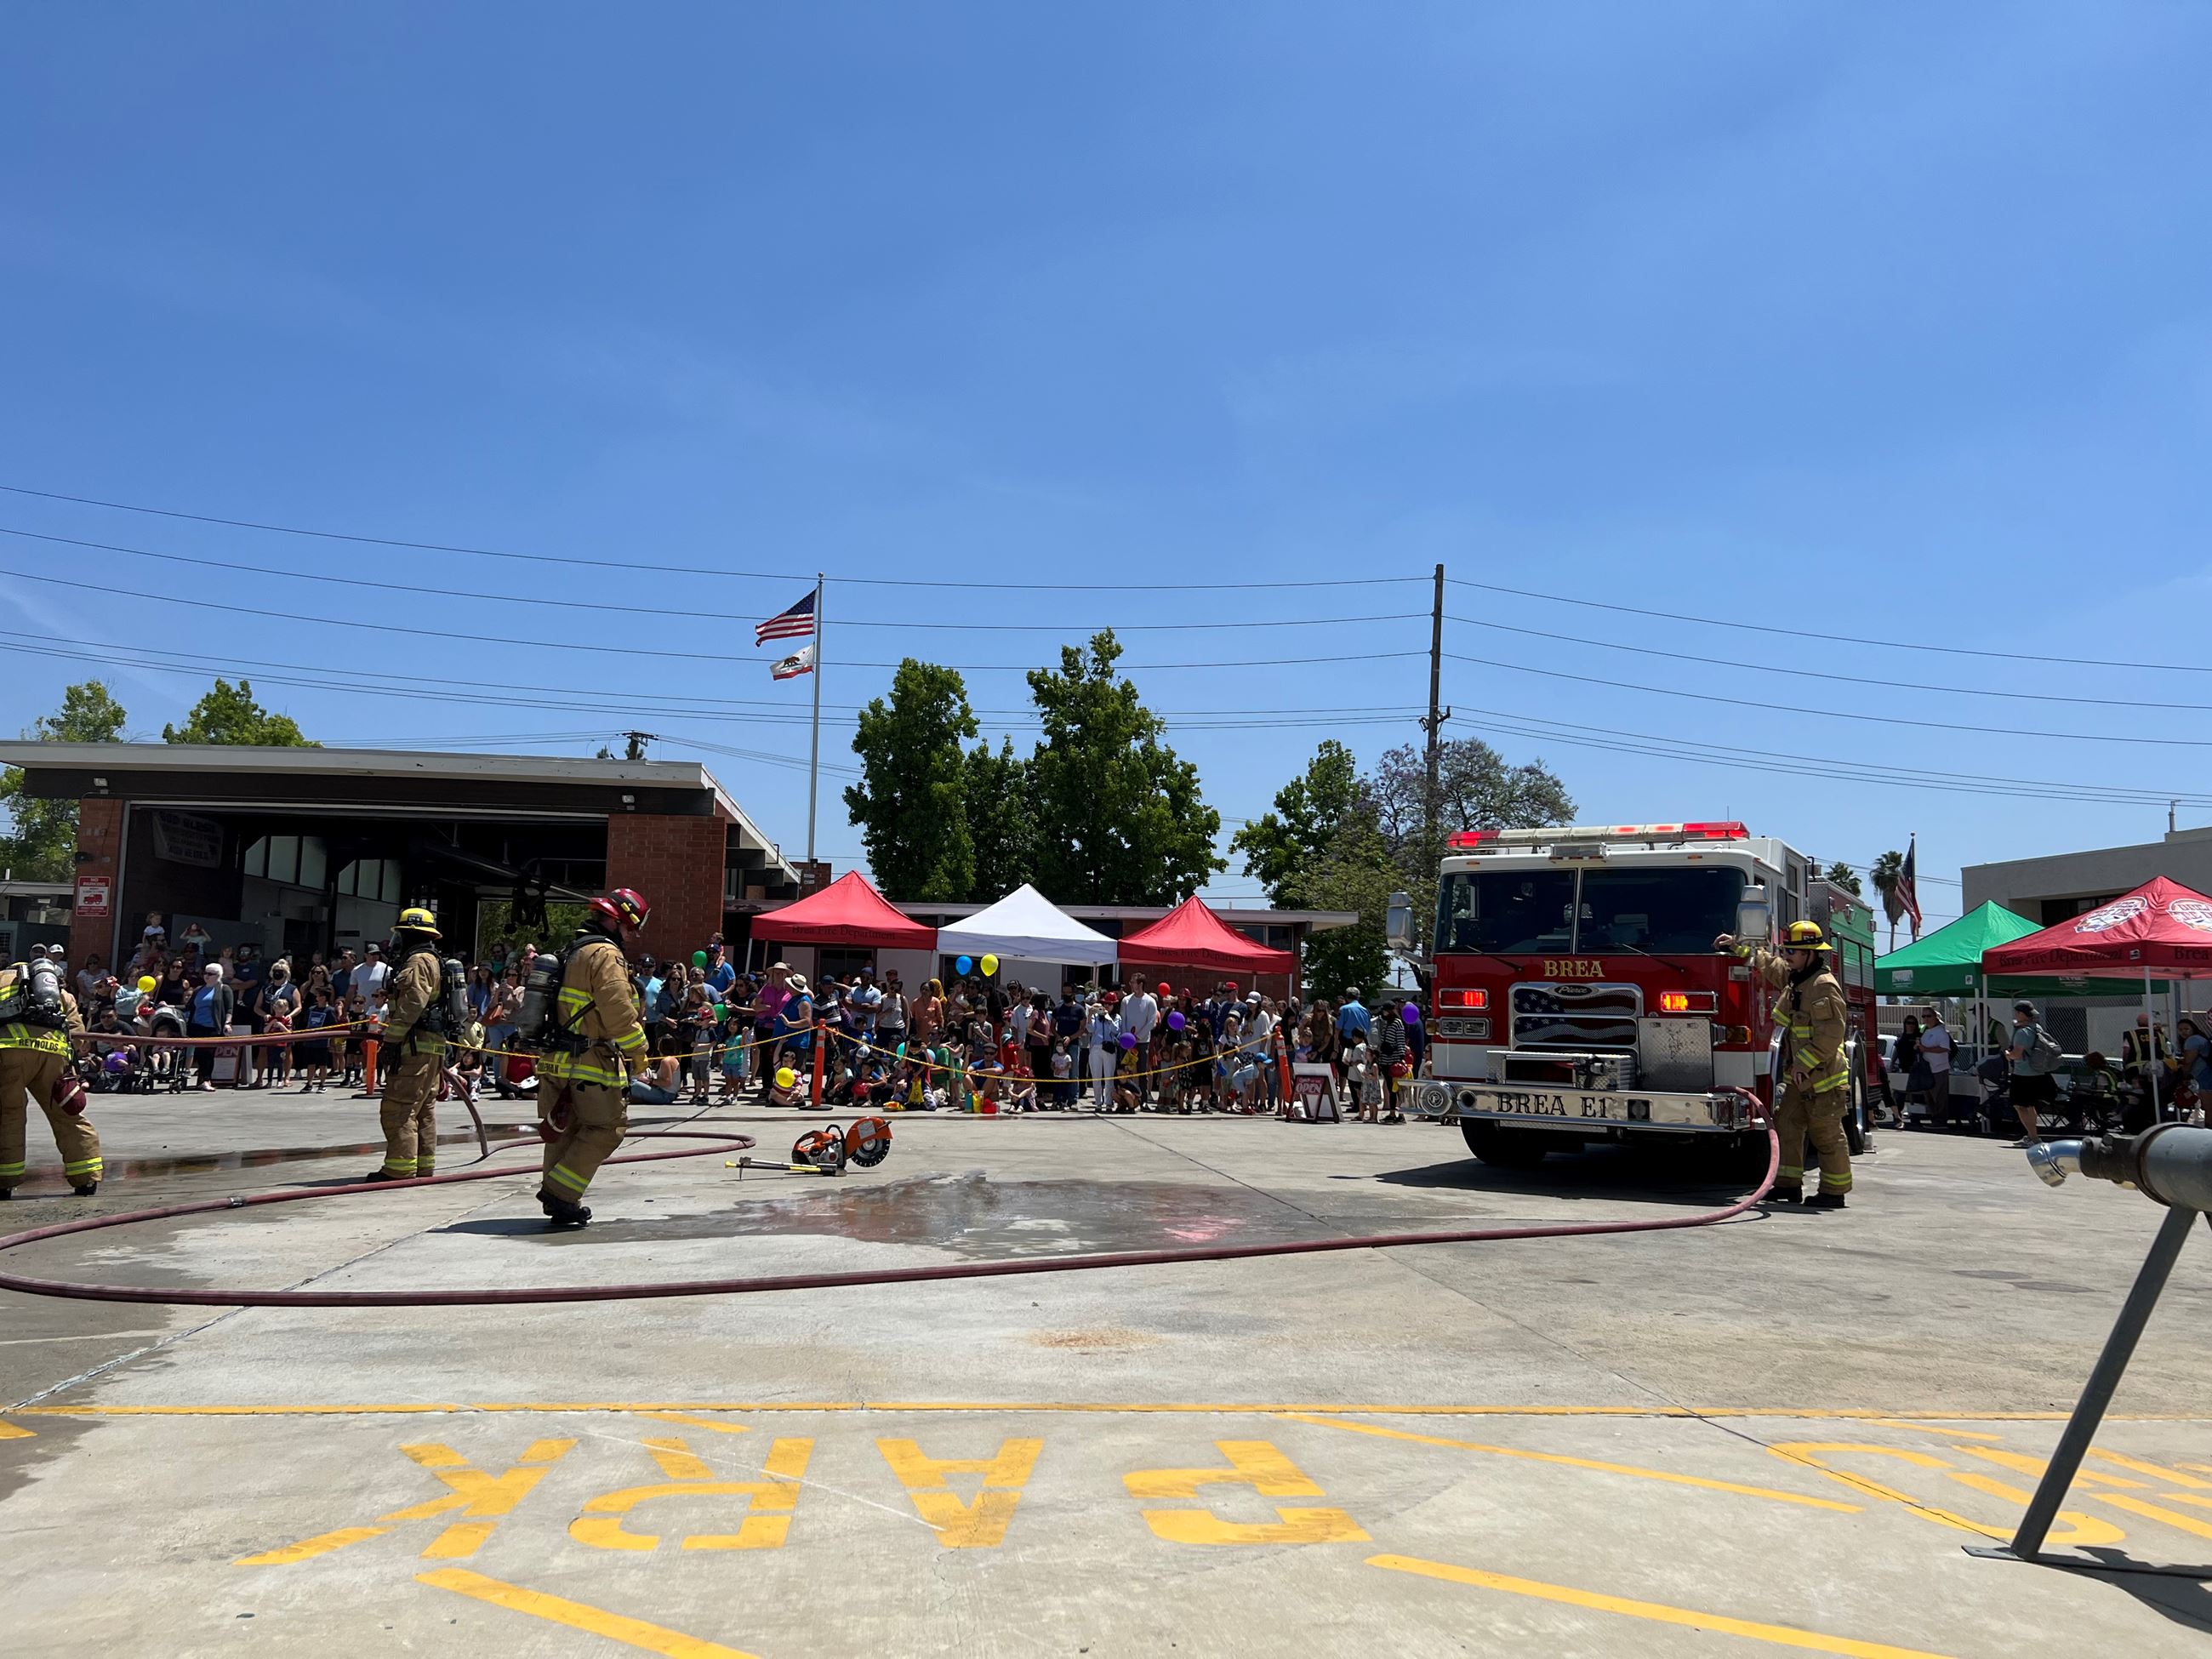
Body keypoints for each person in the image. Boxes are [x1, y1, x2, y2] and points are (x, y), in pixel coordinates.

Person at [533, 888, 652, 1227]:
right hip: (589, 1060)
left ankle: (559, 1202)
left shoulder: (572, 950)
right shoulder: (605, 954)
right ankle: (560, 1193)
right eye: (631, 928)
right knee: (607, 1128)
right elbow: (618, 1012)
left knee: (564, 1129)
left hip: (556, 1058)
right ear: (616, 921)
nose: (633, 936)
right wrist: (639, 1052)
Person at [1715, 920, 1853, 1208]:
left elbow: (1831, 1035)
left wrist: (1803, 1064)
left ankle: (1834, 1192)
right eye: (1787, 948)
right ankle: (1788, 1186)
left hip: (1823, 1079)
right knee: (1787, 1127)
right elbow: (1768, 964)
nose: (1787, 954)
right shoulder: (1797, 979)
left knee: (1826, 1135)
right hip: (1799, 1079)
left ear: (1811, 954)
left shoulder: (1823, 987)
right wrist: (1737, 945)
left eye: (1793, 950)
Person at [0, 952, 99, 1198]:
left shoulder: (1, 981)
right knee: (67, 1115)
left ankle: (5, 1181)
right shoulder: (60, 994)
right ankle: (86, 1178)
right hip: (54, 1057)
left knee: (8, 1115)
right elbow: (79, 1038)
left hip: (8, 1056)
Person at [363, 909, 449, 1183]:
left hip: (414, 1046)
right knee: (423, 1109)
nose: (396, 940)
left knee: (399, 1108)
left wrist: (390, 1040)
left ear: (410, 934)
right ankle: (423, 1167)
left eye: (400, 933)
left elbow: (413, 1003)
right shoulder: (432, 959)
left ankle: (398, 1169)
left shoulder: (418, 961)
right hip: (429, 1046)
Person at [2005, 1000, 2062, 1147]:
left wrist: (2008, 1054)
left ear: (2022, 1014)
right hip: (2037, 1072)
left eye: (2017, 1012)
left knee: (2020, 1106)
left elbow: (2017, 1054)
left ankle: (2033, 1137)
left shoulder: (2022, 1032)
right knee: (2030, 1106)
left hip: (2022, 1074)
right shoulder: (2036, 1028)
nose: (2016, 1015)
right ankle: (2032, 1136)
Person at [186, 962, 234, 1091]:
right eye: (205, 973)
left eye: (210, 974)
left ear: (218, 975)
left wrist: (227, 1023)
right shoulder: (199, 990)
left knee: (208, 1054)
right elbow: (188, 1007)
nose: (206, 976)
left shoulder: (224, 989)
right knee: (200, 1054)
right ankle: (201, 1080)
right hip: (197, 1026)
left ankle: (206, 1080)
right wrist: (169, 1006)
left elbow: (229, 1009)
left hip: (213, 1027)